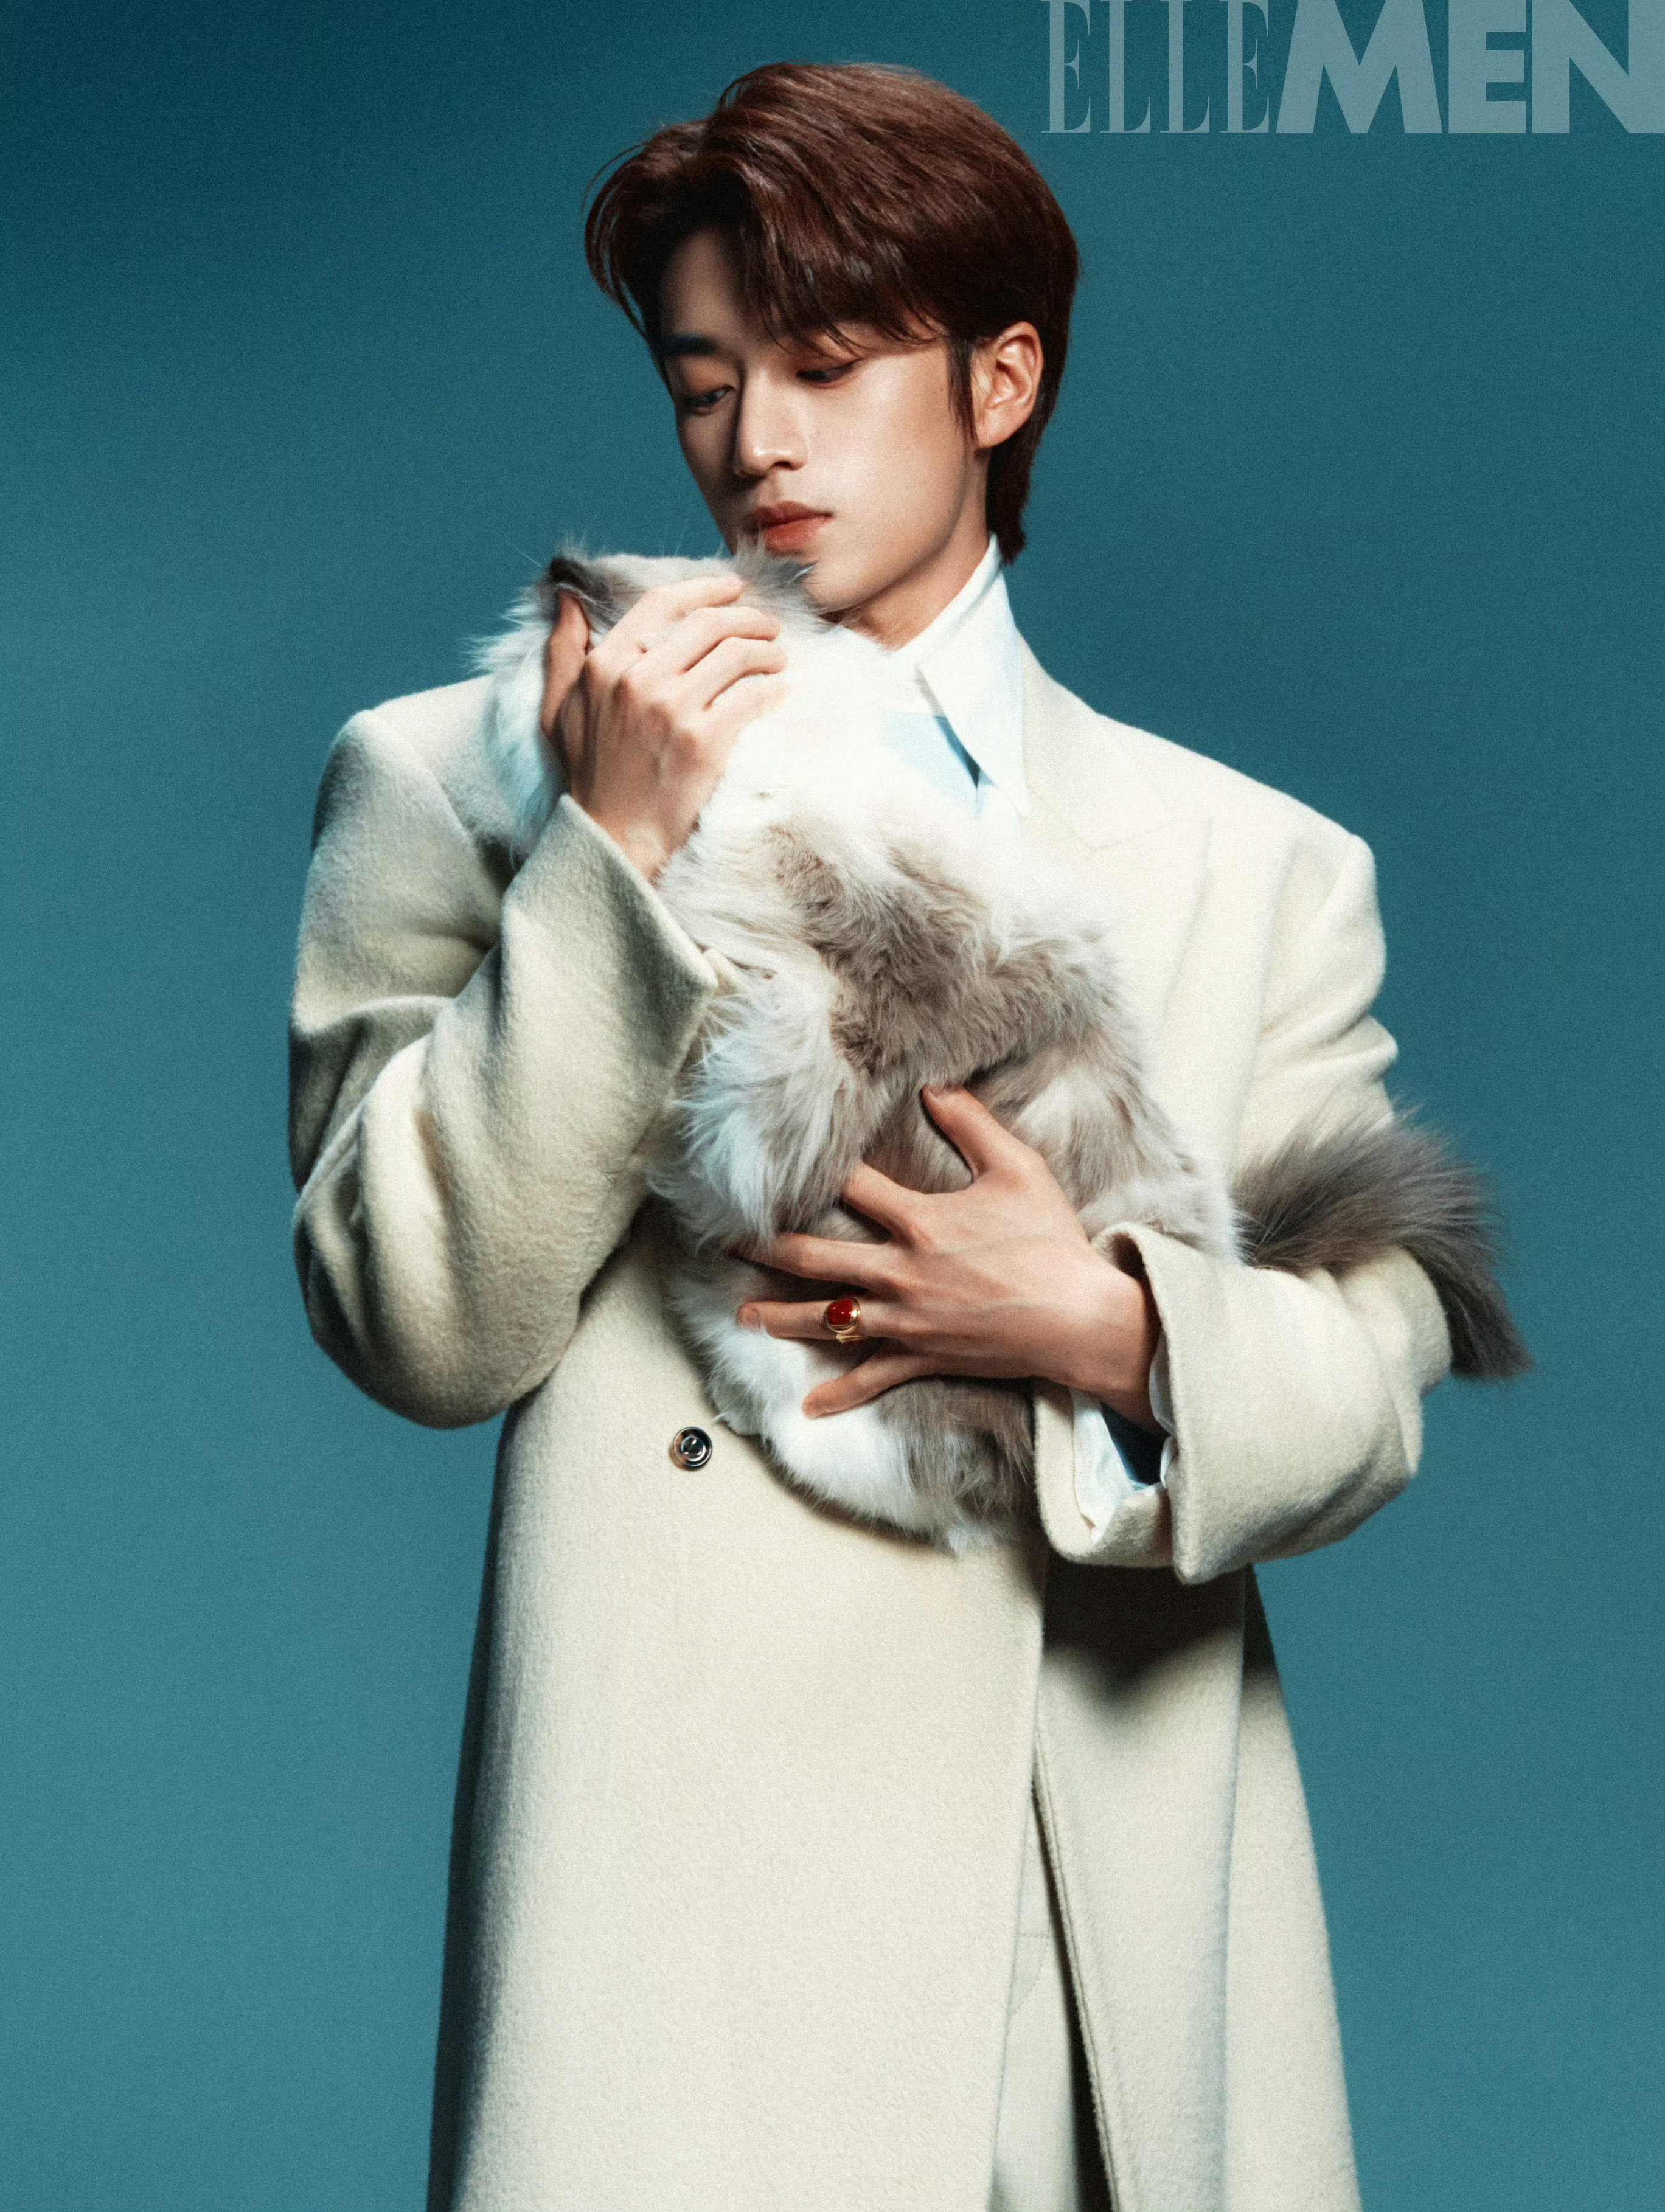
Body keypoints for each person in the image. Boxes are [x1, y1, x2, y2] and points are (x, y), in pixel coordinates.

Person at [289, 63, 1461, 2212]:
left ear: (1000, 381)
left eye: (825, 368)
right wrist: (614, 865)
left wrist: (1110, 1329)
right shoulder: (465, 775)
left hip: (1084, 1848)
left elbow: (1369, 1380)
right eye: (703, 380)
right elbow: (415, 1323)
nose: (757, 443)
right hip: (678, 1883)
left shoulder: (1252, 864)